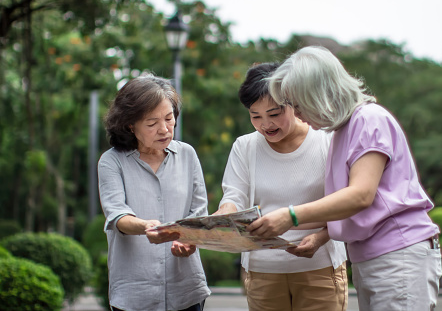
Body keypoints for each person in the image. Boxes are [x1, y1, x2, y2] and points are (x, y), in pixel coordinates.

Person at [247, 46, 442, 311]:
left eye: (297, 104)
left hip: (398, 254)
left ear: (317, 94)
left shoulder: (369, 119)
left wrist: (290, 216)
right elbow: (341, 208)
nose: (297, 113)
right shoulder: (343, 130)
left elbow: (361, 195)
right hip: (374, 256)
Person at [215, 62, 349, 311]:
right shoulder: (245, 147)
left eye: (275, 114)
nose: (266, 124)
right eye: (255, 116)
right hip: (263, 271)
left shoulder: (326, 141)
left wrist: (321, 237)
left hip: (320, 269)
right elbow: (235, 195)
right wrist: (223, 214)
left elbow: (346, 202)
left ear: (295, 104)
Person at [98, 75, 211, 311]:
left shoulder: (187, 155)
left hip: (186, 289)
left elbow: (198, 213)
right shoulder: (111, 161)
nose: (164, 129)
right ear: (130, 125)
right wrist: (146, 226)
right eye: (152, 123)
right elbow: (117, 216)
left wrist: (190, 240)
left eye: (169, 118)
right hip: (134, 292)